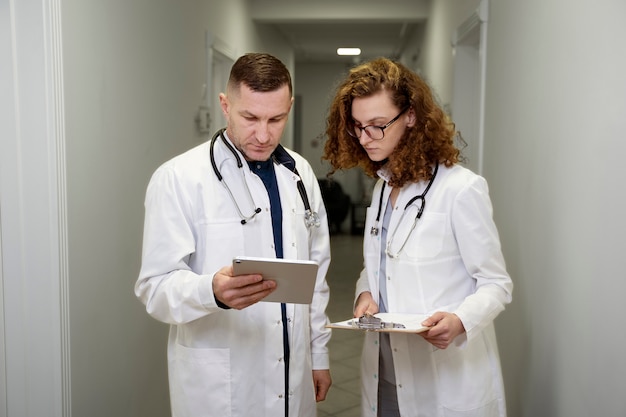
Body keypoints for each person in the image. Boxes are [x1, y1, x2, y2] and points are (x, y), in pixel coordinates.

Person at [135, 52, 332, 417]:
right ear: (225, 105)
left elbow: (315, 275)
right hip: (221, 386)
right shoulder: (179, 178)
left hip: (294, 370)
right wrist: (211, 291)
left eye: (276, 119)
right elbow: (154, 288)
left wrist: (318, 355)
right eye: (250, 117)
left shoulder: (300, 173)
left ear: (289, 106)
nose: (263, 134)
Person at [322, 57, 513, 417]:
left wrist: (459, 320)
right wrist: (366, 292)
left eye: (378, 125)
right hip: (385, 370)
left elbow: (495, 284)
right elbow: (377, 264)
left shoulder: (460, 189)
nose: (365, 138)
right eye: (357, 127)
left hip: (445, 377)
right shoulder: (381, 189)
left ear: (410, 115)